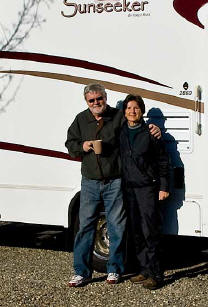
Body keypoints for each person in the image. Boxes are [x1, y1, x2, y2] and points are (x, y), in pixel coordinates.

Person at [65, 83, 161, 287]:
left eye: (99, 98)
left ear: (105, 98)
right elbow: (70, 145)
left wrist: (153, 127)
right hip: (90, 182)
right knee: (85, 228)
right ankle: (81, 272)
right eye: (91, 100)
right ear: (86, 102)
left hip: (114, 181)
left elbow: (135, 126)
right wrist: (82, 146)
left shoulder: (118, 116)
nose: (96, 103)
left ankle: (114, 270)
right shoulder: (81, 119)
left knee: (117, 227)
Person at [120, 94, 169, 290]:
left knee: (150, 231)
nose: (133, 111)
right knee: (136, 232)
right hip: (128, 188)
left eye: (136, 108)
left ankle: (156, 274)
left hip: (147, 188)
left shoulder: (151, 133)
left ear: (142, 111)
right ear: (124, 111)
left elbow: (163, 161)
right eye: (129, 108)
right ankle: (143, 270)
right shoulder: (121, 132)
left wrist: (164, 186)